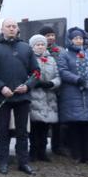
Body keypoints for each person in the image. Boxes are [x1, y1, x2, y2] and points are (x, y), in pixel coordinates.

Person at [0, 18, 39, 175]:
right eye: (8, 26)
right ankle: (3, 161)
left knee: (22, 131)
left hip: (22, 97)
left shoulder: (26, 48)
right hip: (3, 97)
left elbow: (36, 72)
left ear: (17, 29)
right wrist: (1, 87)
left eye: (14, 26)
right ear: (2, 30)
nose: (11, 29)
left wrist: (28, 85)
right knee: (2, 131)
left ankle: (23, 162)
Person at [57, 27, 88, 165]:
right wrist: (77, 79)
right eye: (75, 38)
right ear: (70, 40)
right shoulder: (64, 55)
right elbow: (63, 71)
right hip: (72, 93)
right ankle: (76, 155)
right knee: (75, 126)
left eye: (80, 38)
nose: (78, 40)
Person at [27, 34, 60, 162]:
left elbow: (58, 76)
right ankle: (33, 151)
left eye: (42, 44)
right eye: (37, 45)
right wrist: (35, 82)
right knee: (35, 127)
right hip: (35, 96)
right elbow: (27, 74)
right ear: (32, 47)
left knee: (45, 127)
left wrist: (52, 83)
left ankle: (42, 151)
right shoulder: (29, 59)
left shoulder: (51, 60)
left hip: (48, 97)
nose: (40, 47)